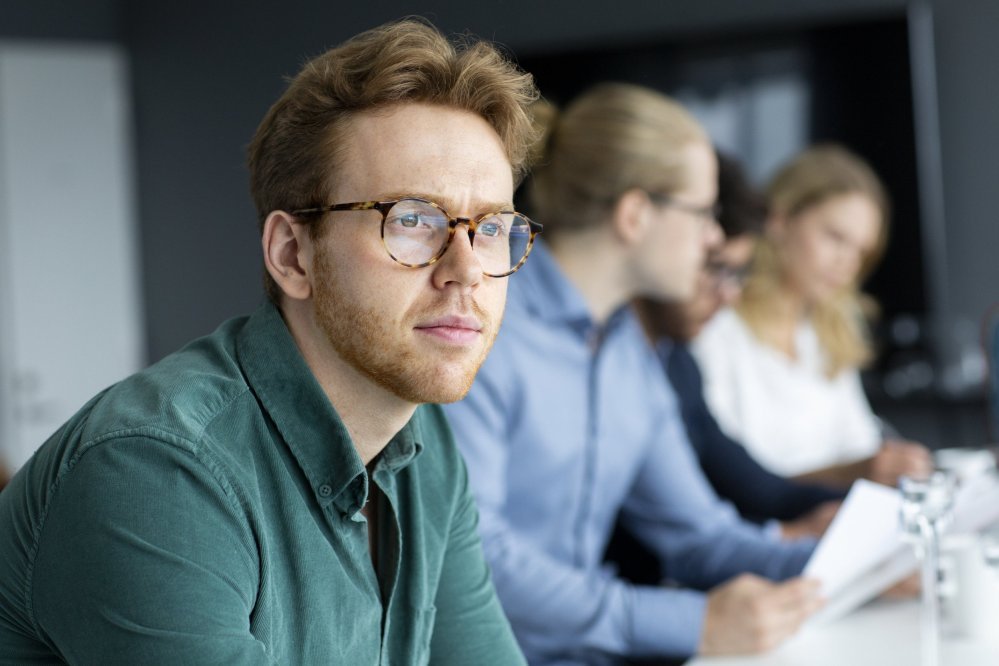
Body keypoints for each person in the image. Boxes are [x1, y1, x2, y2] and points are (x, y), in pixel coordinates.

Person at [0, 18, 541, 664]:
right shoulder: (155, 470)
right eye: (413, 221)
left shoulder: (422, 448)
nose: (466, 270)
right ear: (292, 254)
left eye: (490, 227)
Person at [443, 84, 823, 665]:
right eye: (703, 213)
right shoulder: (482, 328)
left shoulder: (629, 352)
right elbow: (475, 557)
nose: (715, 238)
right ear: (635, 213)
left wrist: (846, 559)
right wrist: (691, 622)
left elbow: (701, 535)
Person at [632, 150, 844, 540]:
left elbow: (755, 487)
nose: (728, 295)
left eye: (737, 273)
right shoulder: (635, 364)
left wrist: (859, 506)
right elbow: (663, 539)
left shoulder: (676, 362)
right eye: (715, 267)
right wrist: (784, 538)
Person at [692, 144, 932, 487]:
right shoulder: (716, 329)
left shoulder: (825, 335)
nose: (847, 263)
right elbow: (731, 483)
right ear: (780, 220)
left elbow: (860, 446)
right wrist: (850, 474)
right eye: (835, 237)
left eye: (861, 251)